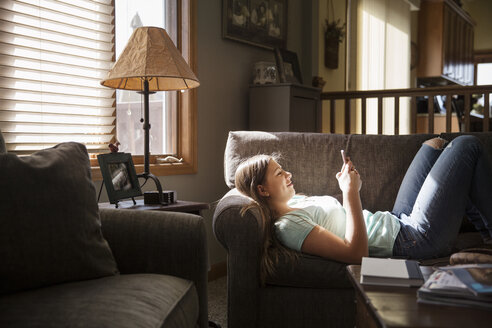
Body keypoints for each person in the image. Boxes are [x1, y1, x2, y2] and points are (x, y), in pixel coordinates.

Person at [234, 135, 492, 280]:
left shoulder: (296, 202)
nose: (288, 173)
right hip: (412, 240)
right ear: (262, 190)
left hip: (394, 220)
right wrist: (350, 192)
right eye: (279, 173)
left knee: (433, 145)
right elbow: (356, 254)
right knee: (466, 146)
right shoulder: (288, 226)